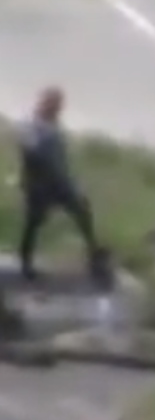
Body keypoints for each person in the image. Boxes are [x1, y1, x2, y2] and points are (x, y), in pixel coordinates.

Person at [15, 86, 108, 285]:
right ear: (44, 103)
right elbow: (31, 152)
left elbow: (60, 158)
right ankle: (25, 263)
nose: (58, 108)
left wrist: (70, 180)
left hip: (60, 183)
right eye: (54, 103)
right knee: (34, 223)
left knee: (82, 212)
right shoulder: (31, 125)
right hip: (39, 184)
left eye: (59, 104)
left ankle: (94, 254)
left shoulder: (54, 125)